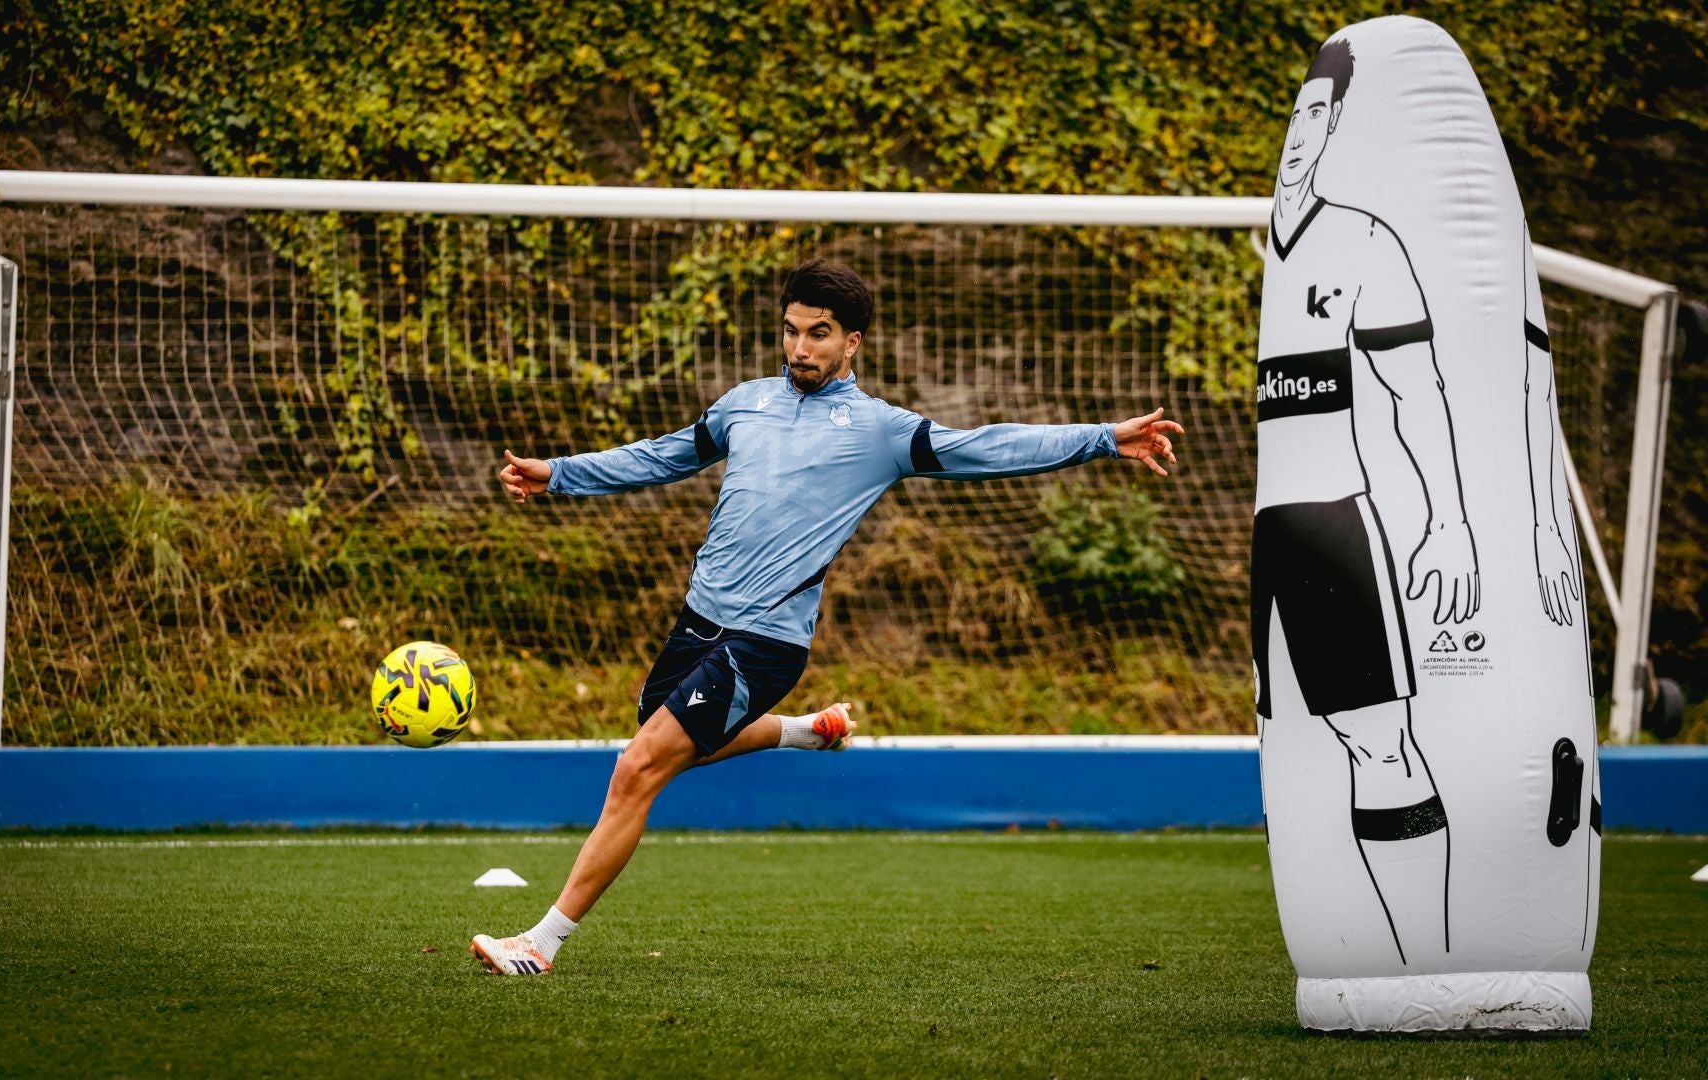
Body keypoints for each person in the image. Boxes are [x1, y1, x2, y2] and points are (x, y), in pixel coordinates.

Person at [470, 259, 1183, 975]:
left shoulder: (880, 431)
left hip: (766, 640)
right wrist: (560, 473)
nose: (800, 348)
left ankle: (541, 943)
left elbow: (989, 446)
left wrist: (1103, 437)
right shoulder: (745, 403)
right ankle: (807, 731)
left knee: (639, 766)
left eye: (819, 334)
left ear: (852, 343)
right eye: (791, 331)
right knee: (670, 741)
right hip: (699, 620)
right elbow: (662, 457)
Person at [1254, 37, 1479, 965]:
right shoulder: (1271, 245)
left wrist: (1449, 523)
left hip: (1337, 519)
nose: (1300, 133)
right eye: (1294, 114)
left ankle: (1432, 963)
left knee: (1382, 742)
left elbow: (1419, 390)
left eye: (1318, 114)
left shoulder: (1366, 240)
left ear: (1338, 124)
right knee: (1303, 746)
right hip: (1270, 531)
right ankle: (1360, 961)